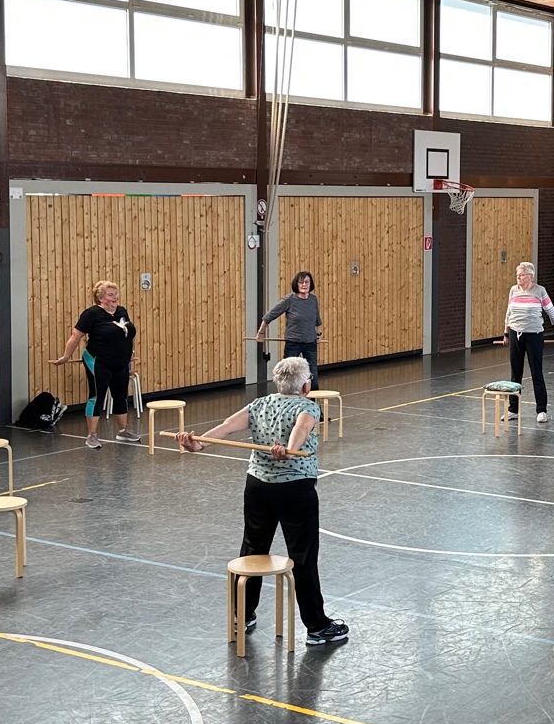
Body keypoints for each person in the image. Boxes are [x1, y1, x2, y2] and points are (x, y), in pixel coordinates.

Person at [177, 355, 349, 647]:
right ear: (305, 386)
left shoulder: (260, 404)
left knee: (253, 548)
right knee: (303, 556)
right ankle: (317, 627)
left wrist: (199, 443)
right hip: (295, 490)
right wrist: (290, 451)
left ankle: (242, 615)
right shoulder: (308, 406)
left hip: (257, 486)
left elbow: (227, 425)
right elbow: (301, 428)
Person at [51, 280, 141, 449]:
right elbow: (75, 336)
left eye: (116, 294)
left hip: (121, 363)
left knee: (121, 396)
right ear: (101, 298)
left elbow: (127, 334)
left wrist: (130, 354)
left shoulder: (122, 311)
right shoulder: (91, 314)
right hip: (98, 361)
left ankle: (123, 432)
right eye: (110, 294)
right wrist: (66, 356)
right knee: (96, 396)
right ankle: (91, 435)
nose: (115, 297)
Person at [502, 261, 554, 423]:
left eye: (521, 275)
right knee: (515, 374)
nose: (518, 278)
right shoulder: (513, 290)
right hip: (515, 334)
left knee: (536, 372)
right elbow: (509, 313)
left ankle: (541, 410)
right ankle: (513, 409)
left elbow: (552, 313)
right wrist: (506, 333)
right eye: (517, 275)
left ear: (530, 276)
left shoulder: (540, 291)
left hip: (534, 335)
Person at [258, 272, 323, 390]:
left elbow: (317, 320)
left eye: (307, 282)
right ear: (296, 284)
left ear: (310, 284)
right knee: (288, 374)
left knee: (312, 374)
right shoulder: (290, 300)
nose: (304, 285)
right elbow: (269, 316)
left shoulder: (313, 299)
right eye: (301, 282)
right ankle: (286, 398)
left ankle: (313, 401)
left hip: (310, 343)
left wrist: (318, 334)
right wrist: (261, 333)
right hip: (293, 343)